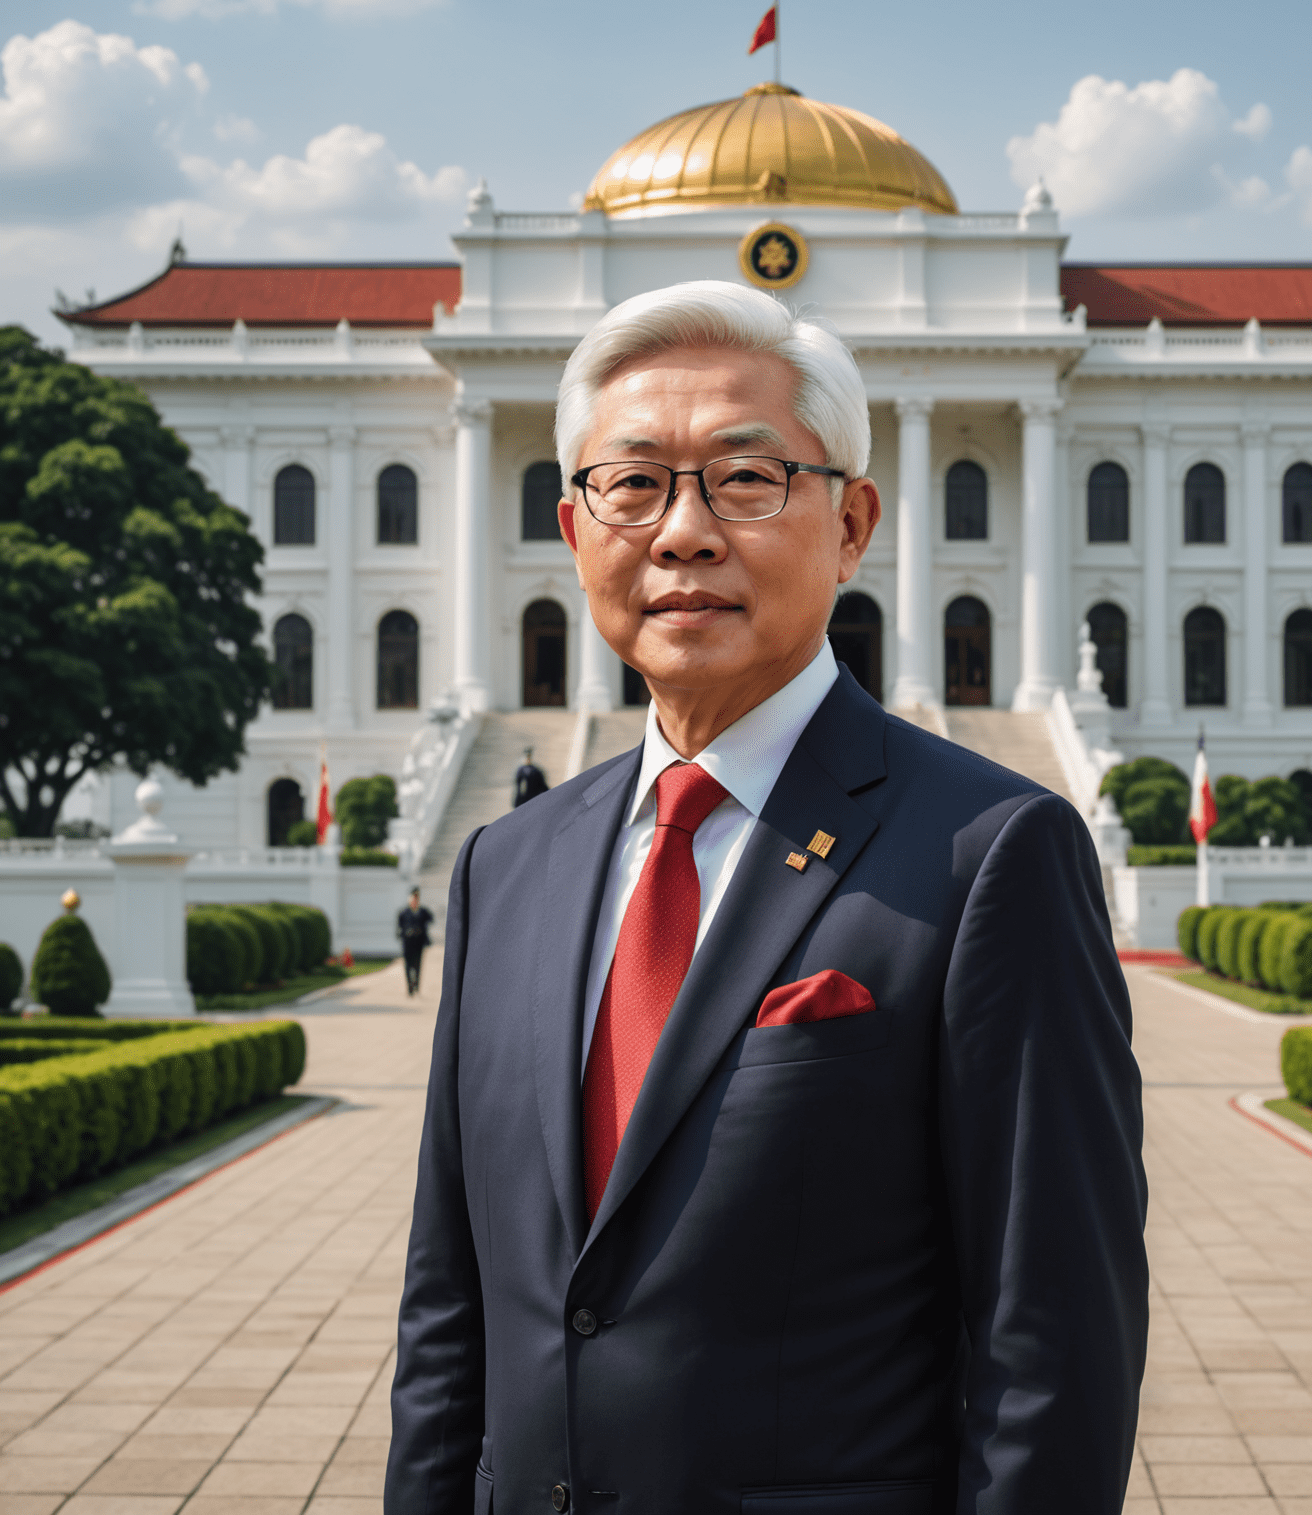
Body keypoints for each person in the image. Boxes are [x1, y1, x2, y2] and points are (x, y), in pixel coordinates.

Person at [386, 281, 1147, 1514]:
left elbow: (1051, 1340)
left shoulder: (988, 852)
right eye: (632, 484)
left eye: (746, 480)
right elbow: (448, 1313)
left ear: (851, 526)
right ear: (576, 535)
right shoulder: (507, 867)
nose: (681, 533)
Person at [396, 886, 433, 996]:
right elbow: (399, 927)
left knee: (417, 964)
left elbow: (431, 919)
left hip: (419, 941)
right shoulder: (404, 912)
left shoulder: (422, 911)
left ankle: (416, 984)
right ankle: (410, 987)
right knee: (408, 964)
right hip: (407, 942)